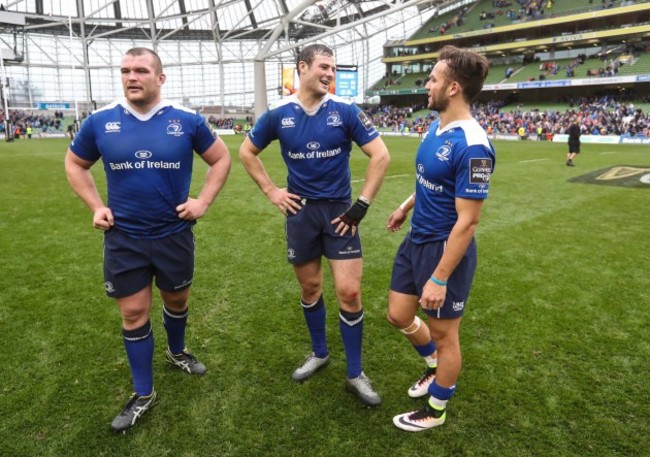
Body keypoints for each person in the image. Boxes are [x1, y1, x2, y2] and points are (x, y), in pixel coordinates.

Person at [64, 47, 231, 433]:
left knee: (176, 300)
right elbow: (75, 163)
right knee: (134, 313)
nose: (131, 77)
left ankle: (176, 351)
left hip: (174, 235)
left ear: (160, 77)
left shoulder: (186, 120)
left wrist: (202, 201)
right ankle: (143, 393)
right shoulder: (100, 122)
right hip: (124, 238)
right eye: (125, 71)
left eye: (140, 70)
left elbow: (221, 159)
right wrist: (95, 205)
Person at [239, 43, 390, 406]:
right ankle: (319, 352)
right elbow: (246, 152)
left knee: (350, 292)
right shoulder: (278, 114)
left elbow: (381, 156)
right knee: (310, 288)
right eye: (324, 66)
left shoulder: (345, 111)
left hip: (340, 214)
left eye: (333, 69)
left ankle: (355, 373)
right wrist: (272, 191)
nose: (330, 74)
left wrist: (362, 205)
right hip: (301, 214)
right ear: (302, 68)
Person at [385, 45, 495, 431]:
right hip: (416, 239)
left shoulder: (475, 144)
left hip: (445, 250)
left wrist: (440, 276)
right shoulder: (436, 126)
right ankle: (433, 367)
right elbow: (431, 181)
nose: (427, 84)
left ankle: (436, 410)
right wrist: (405, 206)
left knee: (446, 335)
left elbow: (468, 222)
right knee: (398, 314)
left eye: (433, 78)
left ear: (452, 88)